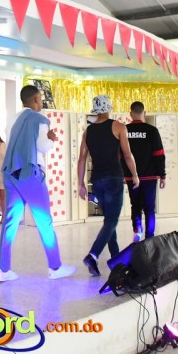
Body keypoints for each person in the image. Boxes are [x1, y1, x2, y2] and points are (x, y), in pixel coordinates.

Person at [0, 84, 76, 282]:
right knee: (44, 221)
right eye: (40, 99)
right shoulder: (40, 120)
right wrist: (52, 139)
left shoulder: (12, 119)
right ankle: (55, 267)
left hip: (10, 173)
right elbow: (42, 146)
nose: (41, 102)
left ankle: (3, 270)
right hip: (29, 173)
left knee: (10, 223)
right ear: (34, 100)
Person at [77, 94, 140, 277]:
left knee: (108, 221)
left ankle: (116, 260)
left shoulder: (88, 132)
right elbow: (127, 155)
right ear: (108, 108)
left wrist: (80, 184)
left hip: (97, 181)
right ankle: (93, 255)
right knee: (112, 221)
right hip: (114, 179)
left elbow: (82, 159)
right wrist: (135, 175)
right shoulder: (119, 127)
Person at [122, 101, 166, 241]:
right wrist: (162, 175)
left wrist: (123, 174)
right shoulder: (152, 131)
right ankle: (149, 237)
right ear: (144, 113)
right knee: (149, 208)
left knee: (135, 205)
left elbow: (121, 155)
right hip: (150, 177)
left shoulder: (125, 130)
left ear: (131, 114)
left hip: (131, 177)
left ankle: (137, 230)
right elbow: (159, 154)